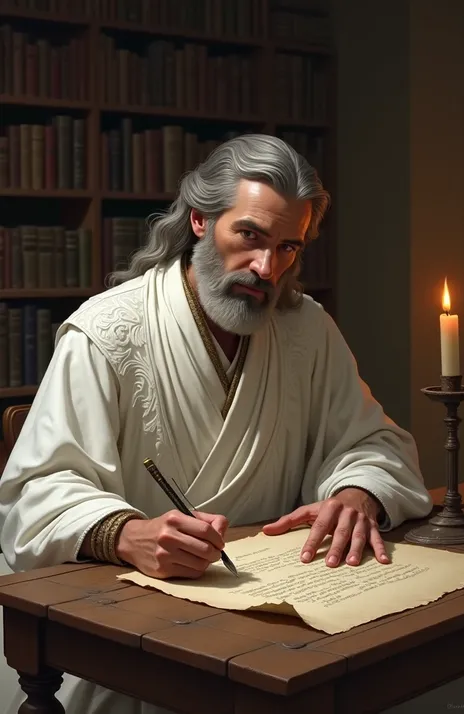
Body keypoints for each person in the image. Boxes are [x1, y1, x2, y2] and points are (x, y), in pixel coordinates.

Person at [0, 134, 432, 714]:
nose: (266, 267)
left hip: (285, 621)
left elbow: (376, 442)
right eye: (249, 236)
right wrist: (128, 535)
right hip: (138, 639)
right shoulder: (104, 331)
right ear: (201, 220)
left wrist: (358, 492)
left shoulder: (306, 328)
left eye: (288, 248)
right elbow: (32, 494)